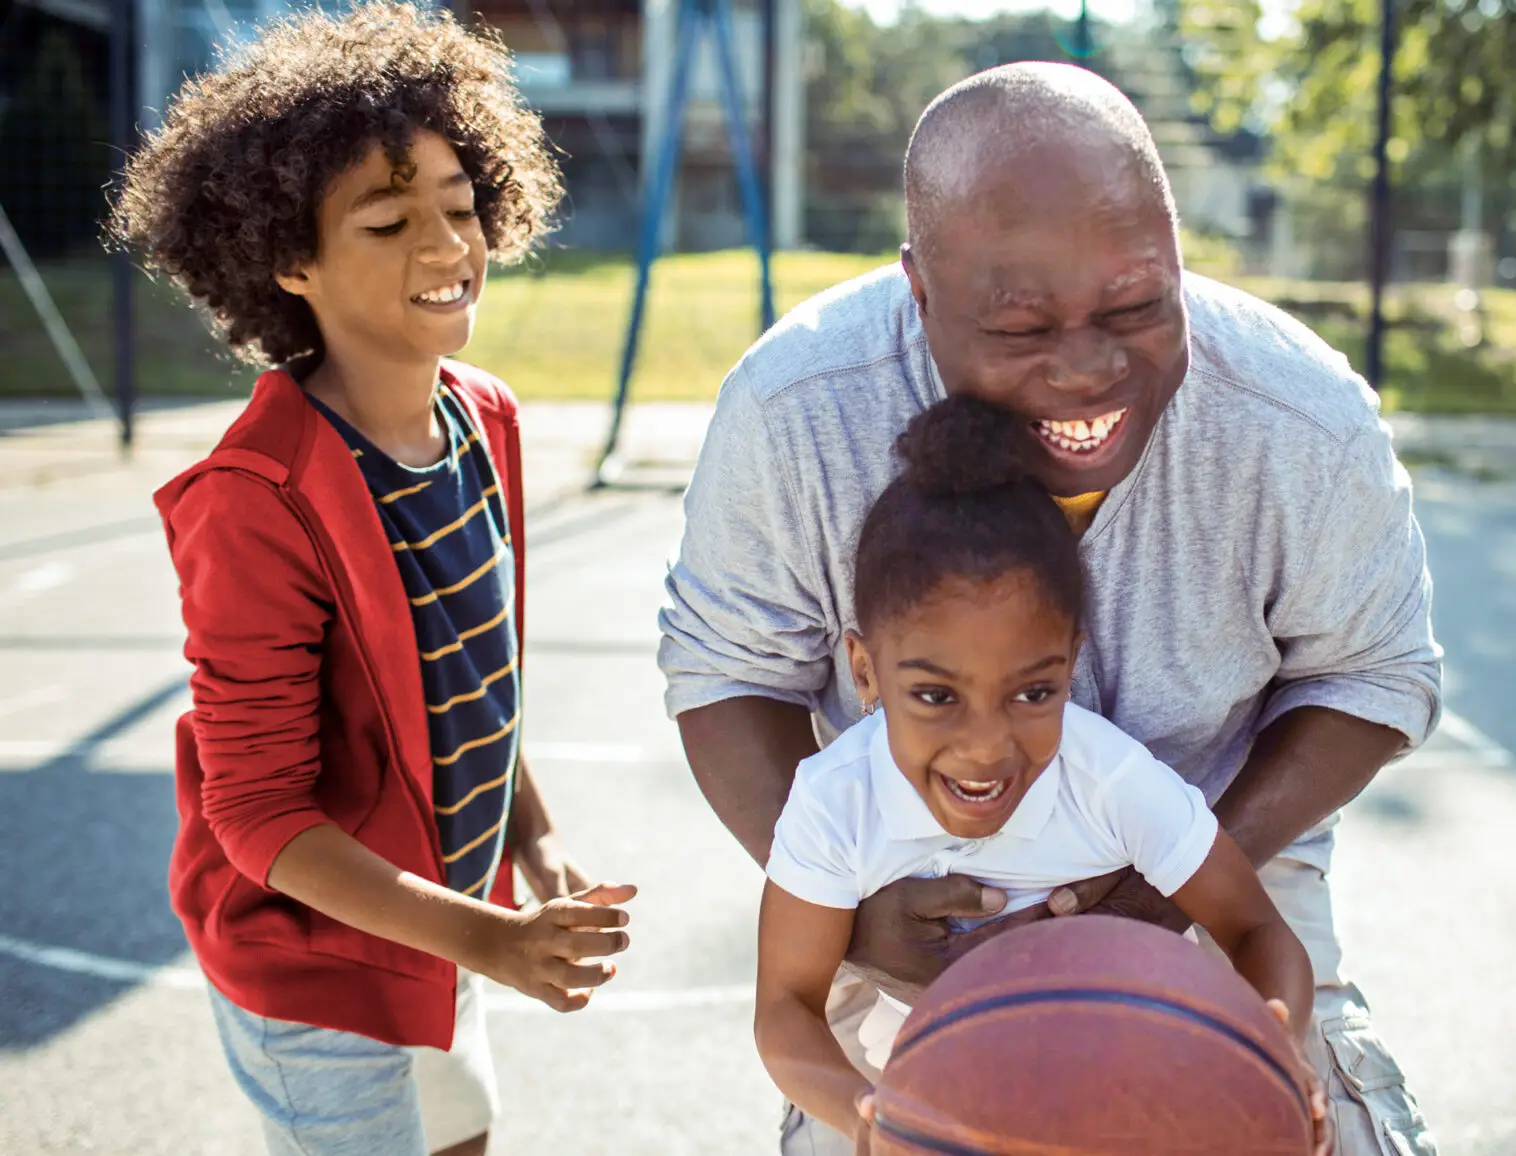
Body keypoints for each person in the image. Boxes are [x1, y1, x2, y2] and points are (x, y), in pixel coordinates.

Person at [659, 62, 1441, 1156]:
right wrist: (858, 918)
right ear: (919, 292)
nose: (1088, 368)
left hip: (1223, 855)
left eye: (1136, 305)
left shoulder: (1298, 418)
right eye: (1023, 327)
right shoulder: (798, 408)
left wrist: (1171, 902)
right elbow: (726, 672)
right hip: (913, 885)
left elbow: (1377, 674)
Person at [109, 7, 635, 1155]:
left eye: (460, 207)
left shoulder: (480, 414)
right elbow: (255, 814)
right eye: (390, 221)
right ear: (287, 260)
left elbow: (466, 668)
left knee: (460, 1141)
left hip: (434, 922)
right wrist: (489, 940)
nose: (446, 246)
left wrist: (532, 837)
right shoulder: (255, 498)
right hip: (318, 958)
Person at [754, 396, 1328, 1153]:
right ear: (864, 670)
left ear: (1072, 662)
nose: (987, 745)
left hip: (1131, 1077)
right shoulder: (836, 801)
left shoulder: (1108, 779)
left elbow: (1257, 930)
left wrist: (1273, 1045)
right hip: (921, 1078)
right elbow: (786, 1009)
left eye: (1033, 693)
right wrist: (869, 1116)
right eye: (935, 696)